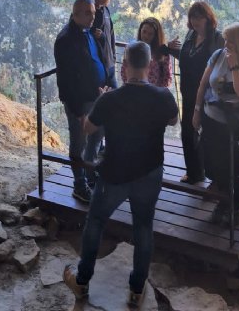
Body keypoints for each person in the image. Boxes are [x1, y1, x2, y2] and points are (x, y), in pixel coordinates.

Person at [64, 41, 178, 308]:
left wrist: (100, 102)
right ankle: (137, 290)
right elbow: (174, 120)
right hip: (150, 172)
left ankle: (82, 281)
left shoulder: (110, 98)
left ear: (124, 65)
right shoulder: (163, 96)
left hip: (114, 174)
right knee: (143, 227)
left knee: (96, 222)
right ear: (149, 65)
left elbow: (89, 129)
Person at [192, 23, 239, 225]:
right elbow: (204, 83)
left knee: (237, 163)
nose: (225, 44)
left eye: (229, 40)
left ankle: (238, 205)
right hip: (212, 117)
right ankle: (224, 201)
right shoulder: (217, 55)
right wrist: (196, 111)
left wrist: (233, 66)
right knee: (215, 162)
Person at [54, 0, 111, 204]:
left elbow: (97, 58)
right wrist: (78, 111)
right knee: (78, 142)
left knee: (98, 134)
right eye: (88, 13)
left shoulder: (88, 32)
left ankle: (89, 173)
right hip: (81, 102)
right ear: (76, 13)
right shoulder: (66, 39)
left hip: (96, 96)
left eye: (93, 13)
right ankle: (79, 185)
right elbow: (66, 79)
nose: (92, 17)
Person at [168, 1, 224, 184]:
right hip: (188, 92)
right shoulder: (190, 35)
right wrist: (171, 50)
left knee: (208, 135)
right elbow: (187, 57)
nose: (195, 21)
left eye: (199, 17)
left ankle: (215, 178)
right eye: (192, 17)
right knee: (187, 133)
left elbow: (220, 64)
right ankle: (194, 173)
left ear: (208, 18)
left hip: (208, 94)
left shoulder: (217, 38)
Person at [121, 17, 172, 87]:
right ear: (140, 30)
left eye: (150, 34)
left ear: (156, 36)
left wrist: (158, 92)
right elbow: (124, 72)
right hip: (133, 91)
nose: (146, 36)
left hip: (153, 94)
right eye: (144, 32)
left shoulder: (162, 52)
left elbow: (167, 78)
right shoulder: (132, 49)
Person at [89, 0, 117, 88]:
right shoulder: (84, 10)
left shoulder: (105, 9)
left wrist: (113, 56)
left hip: (110, 64)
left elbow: (111, 34)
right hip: (97, 68)